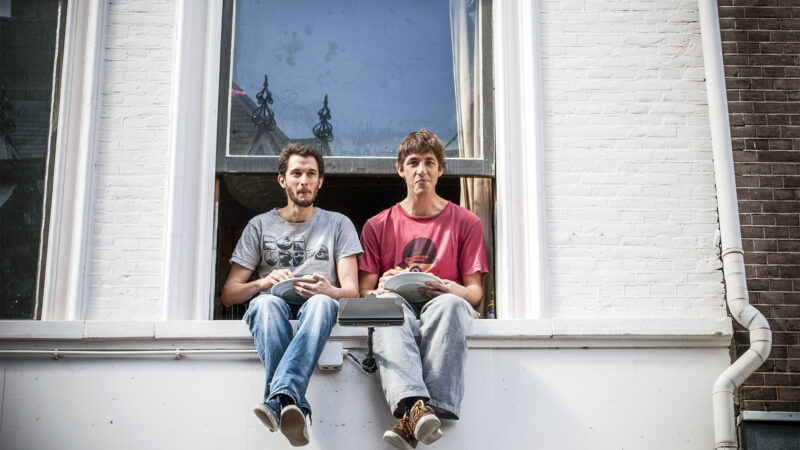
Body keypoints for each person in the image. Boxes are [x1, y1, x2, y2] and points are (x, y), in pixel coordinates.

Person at [221, 143, 362, 447]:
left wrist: (330, 289)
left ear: (320, 181)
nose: (304, 181)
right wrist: (263, 282)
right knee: (265, 304)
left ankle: (277, 401)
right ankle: (292, 400)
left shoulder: (338, 224)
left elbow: (353, 291)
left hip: (318, 309)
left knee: (322, 302)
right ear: (282, 180)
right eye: (297, 173)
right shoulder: (259, 226)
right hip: (274, 307)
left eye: (311, 174)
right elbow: (229, 294)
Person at [358, 129, 488, 450]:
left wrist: (453, 289)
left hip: (443, 305)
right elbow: (363, 294)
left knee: (450, 305)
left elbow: (475, 293)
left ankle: (420, 410)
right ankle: (419, 410)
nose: (421, 170)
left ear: (441, 170)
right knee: (386, 306)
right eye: (413, 162)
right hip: (400, 307)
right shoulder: (377, 225)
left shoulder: (466, 222)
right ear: (400, 170)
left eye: (429, 162)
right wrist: (382, 286)